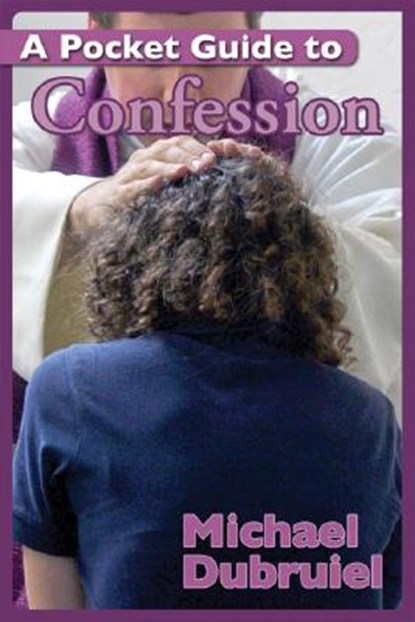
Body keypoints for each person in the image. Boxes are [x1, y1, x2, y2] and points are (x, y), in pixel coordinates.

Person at [13, 154, 402, 609]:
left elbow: (53, 604)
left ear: (135, 259)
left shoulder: (70, 388)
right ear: (304, 271)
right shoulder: (368, 416)